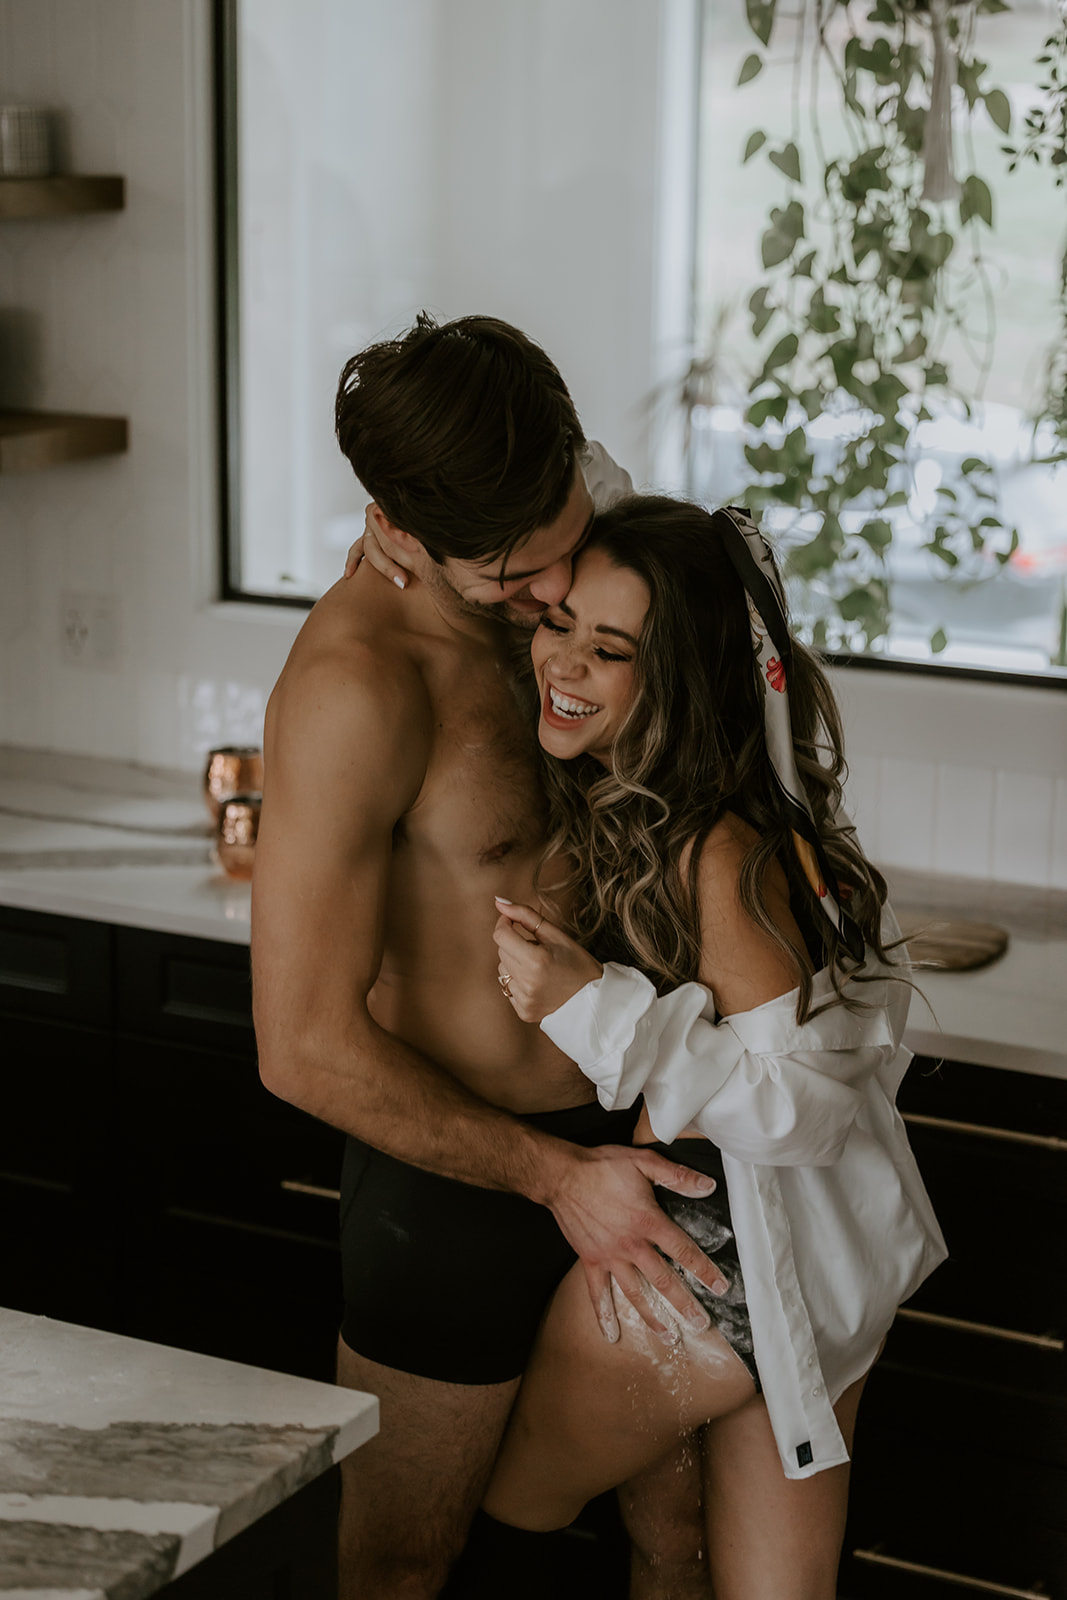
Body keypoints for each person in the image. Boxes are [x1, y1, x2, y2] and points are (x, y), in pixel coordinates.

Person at [250, 314, 731, 1600]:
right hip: (459, 1181)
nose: (548, 598)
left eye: (560, 546)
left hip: (649, 1130)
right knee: (402, 1562)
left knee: (685, 1544)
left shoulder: (579, 530)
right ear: (395, 527)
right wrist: (552, 1177)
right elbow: (299, 1046)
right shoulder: (358, 684)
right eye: (510, 580)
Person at [457, 495, 947, 1600]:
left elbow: (801, 1110)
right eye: (558, 621)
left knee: (507, 1529)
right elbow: (599, 512)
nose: (563, 659)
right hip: (821, 1285)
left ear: (674, 675)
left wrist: (585, 1001)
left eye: (610, 647)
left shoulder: (716, 850)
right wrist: (414, 524)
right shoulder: (708, 809)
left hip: (711, 1266)